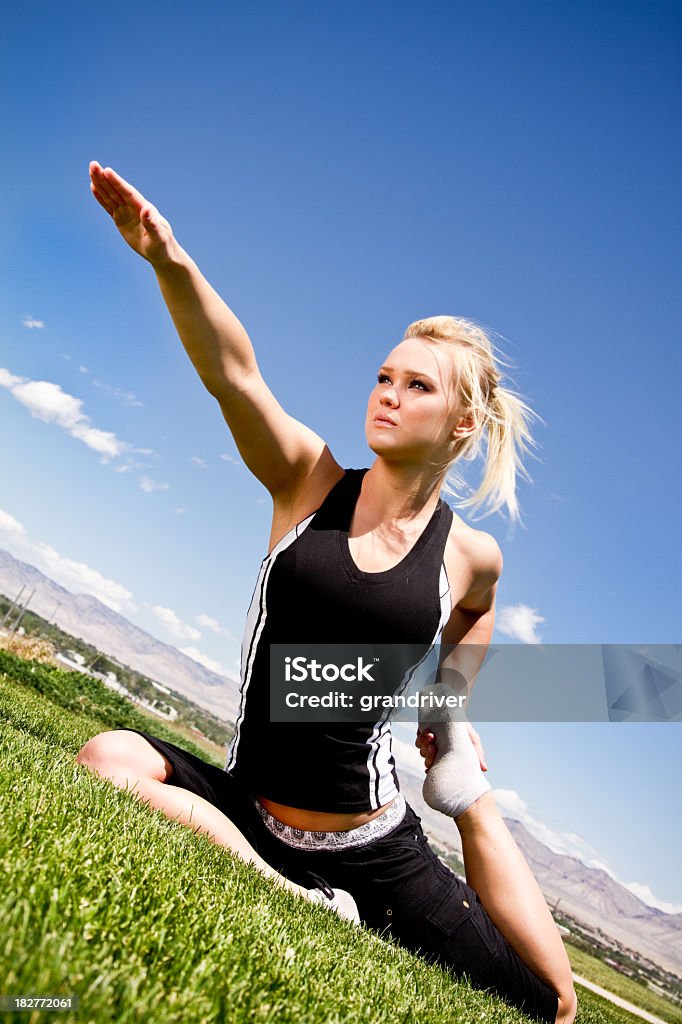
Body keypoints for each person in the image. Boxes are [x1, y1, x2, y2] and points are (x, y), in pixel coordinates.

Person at [76, 161, 577, 1024]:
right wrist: (168, 260)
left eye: (417, 386)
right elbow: (234, 375)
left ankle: (457, 803)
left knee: (549, 1006)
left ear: (462, 424)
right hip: (251, 806)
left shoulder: (470, 554)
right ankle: (297, 897)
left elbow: (480, 607)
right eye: (385, 375)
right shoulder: (307, 483)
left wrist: (450, 711)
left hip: (372, 842)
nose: (387, 394)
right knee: (108, 756)